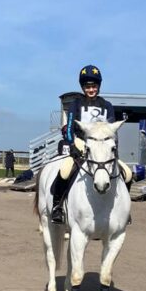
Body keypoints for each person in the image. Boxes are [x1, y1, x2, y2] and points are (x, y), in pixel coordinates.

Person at [51, 64, 116, 223]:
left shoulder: (107, 106)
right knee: (65, 170)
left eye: (94, 86)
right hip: (81, 143)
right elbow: (69, 128)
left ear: (98, 86)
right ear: (83, 87)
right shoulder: (76, 104)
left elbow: (112, 130)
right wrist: (72, 145)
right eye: (88, 87)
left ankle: (123, 210)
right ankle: (57, 207)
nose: (91, 89)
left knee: (126, 173)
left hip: (102, 147)